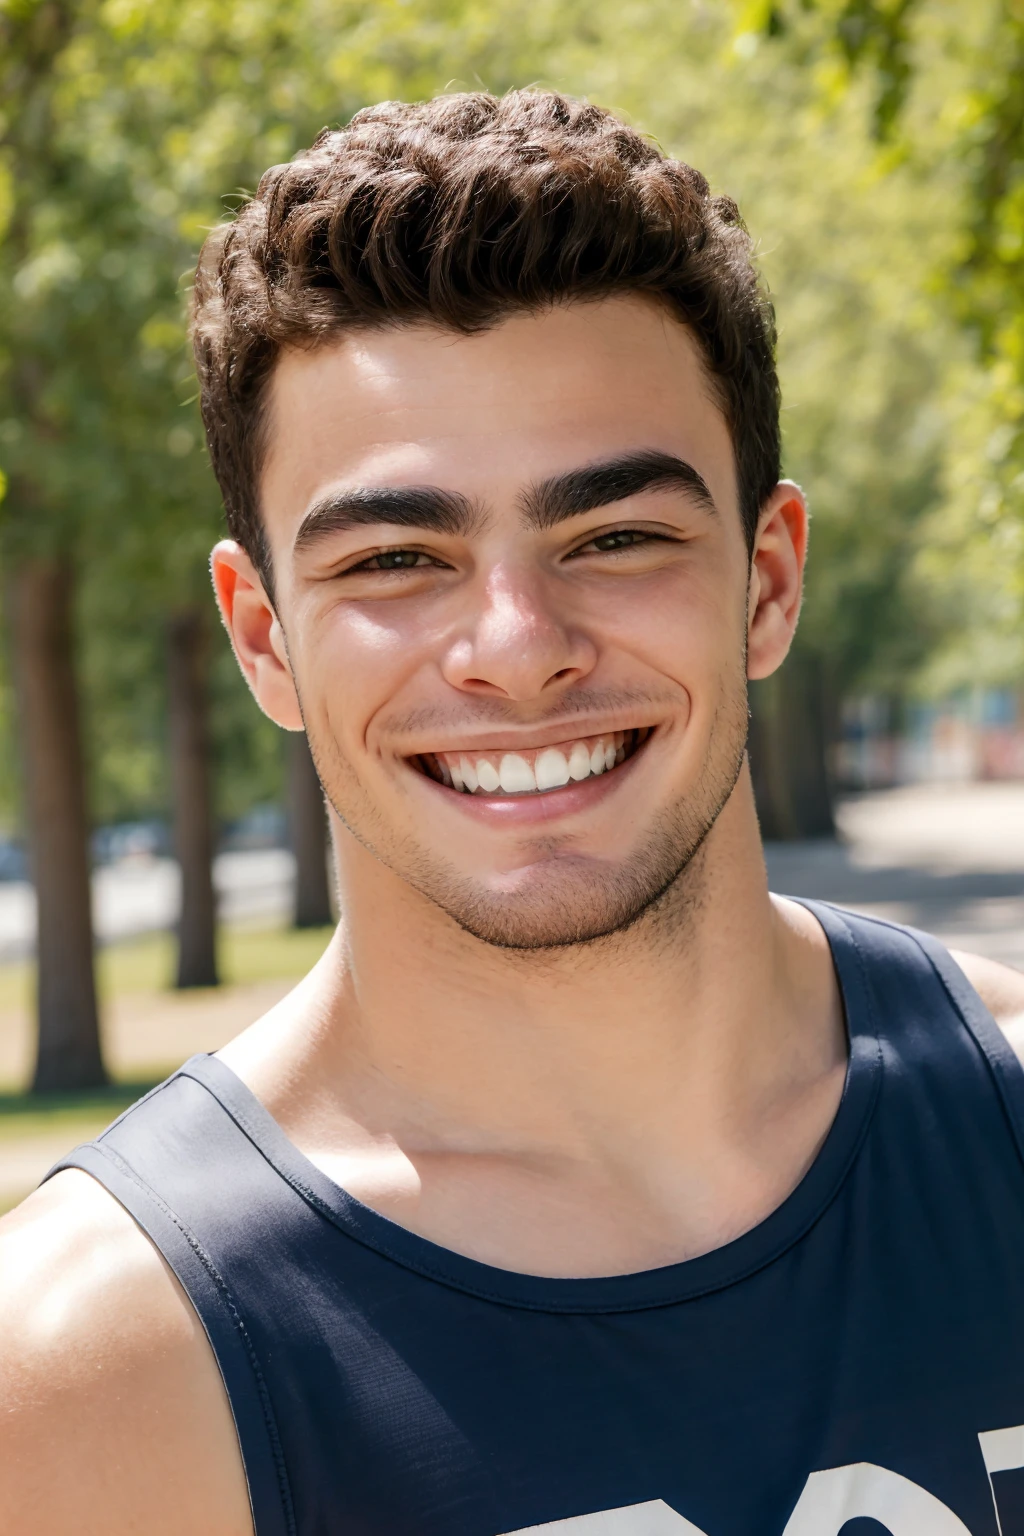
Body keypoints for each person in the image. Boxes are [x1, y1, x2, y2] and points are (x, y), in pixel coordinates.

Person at [3, 88, 1024, 1536]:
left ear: (770, 578)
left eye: (614, 536)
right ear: (263, 637)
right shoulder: (93, 1369)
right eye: (396, 560)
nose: (518, 643)